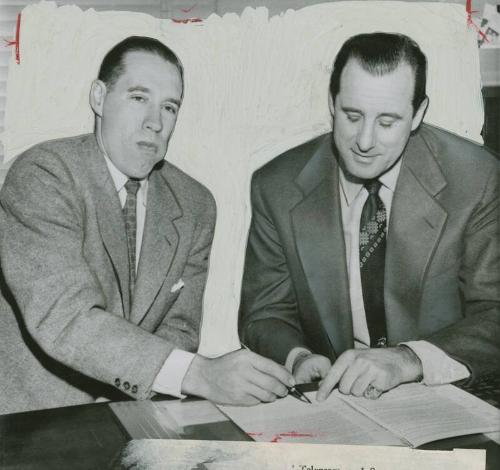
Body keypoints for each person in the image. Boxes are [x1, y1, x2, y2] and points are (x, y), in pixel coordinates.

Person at [0, 36, 293, 414]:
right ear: (99, 98)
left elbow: (181, 329)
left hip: (139, 415)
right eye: (139, 98)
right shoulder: (43, 175)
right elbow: (66, 318)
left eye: (169, 107)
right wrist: (201, 375)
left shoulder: (195, 205)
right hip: (32, 425)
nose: (155, 122)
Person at [240, 32, 499, 402]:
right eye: (352, 115)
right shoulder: (276, 185)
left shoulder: (477, 178)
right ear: (332, 103)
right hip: (337, 403)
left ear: (418, 115)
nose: (364, 140)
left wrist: (408, 359)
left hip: (448, 395)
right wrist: (298, 357)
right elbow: (264, 313)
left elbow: (495, 312)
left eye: (388, 121)